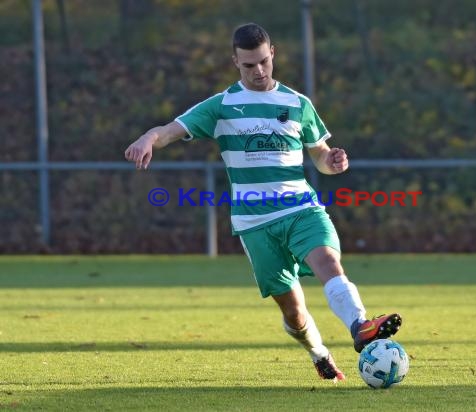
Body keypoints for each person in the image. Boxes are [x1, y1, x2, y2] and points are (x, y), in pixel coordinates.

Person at [125, 22, 402, 381]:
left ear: (273, 55)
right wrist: (149, 138)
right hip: (255, 223)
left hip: (301, 208)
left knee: (329, 263)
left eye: (263, 62)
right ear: (235, 63)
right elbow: (169, 130)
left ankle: (360, 325)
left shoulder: (298, 104)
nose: (258, 71)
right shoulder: (222, 106)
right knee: (294, 313)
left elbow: (320, 155)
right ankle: (318, 352)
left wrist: (333, 161)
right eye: (248, 66)